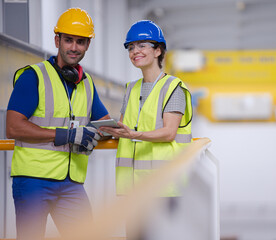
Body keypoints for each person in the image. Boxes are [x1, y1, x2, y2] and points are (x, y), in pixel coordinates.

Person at [6, 8, 110, 240]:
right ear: (57, 40)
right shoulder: (33, 76)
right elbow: (13, 127)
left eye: (80, 42)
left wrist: (125, 127)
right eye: (69, 40)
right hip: (33, 180)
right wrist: (66, 135)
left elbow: (104, 121)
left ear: (87, 45)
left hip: (71, 183)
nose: (74, 47)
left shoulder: (86, 83)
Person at [100, 20, 193, 198]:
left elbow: (169, 133)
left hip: (164, 187)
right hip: (132, 187)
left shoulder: (173, 87)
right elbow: (124, 127)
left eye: (142, 45)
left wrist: (135, 135)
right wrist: (107, 131)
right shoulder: (131, 88)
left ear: (158, 50)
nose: (135, 51)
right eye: (131, 47)